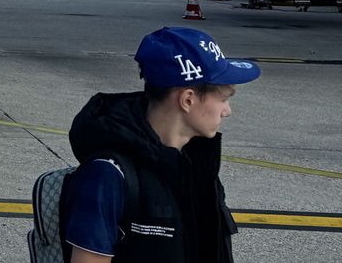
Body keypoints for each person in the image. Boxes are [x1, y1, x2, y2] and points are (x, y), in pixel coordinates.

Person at [62, 26, 260, 263]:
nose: (227, 111)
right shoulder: (107, 175)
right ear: (187, 100)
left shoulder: (195, 166)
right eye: (224, 99)